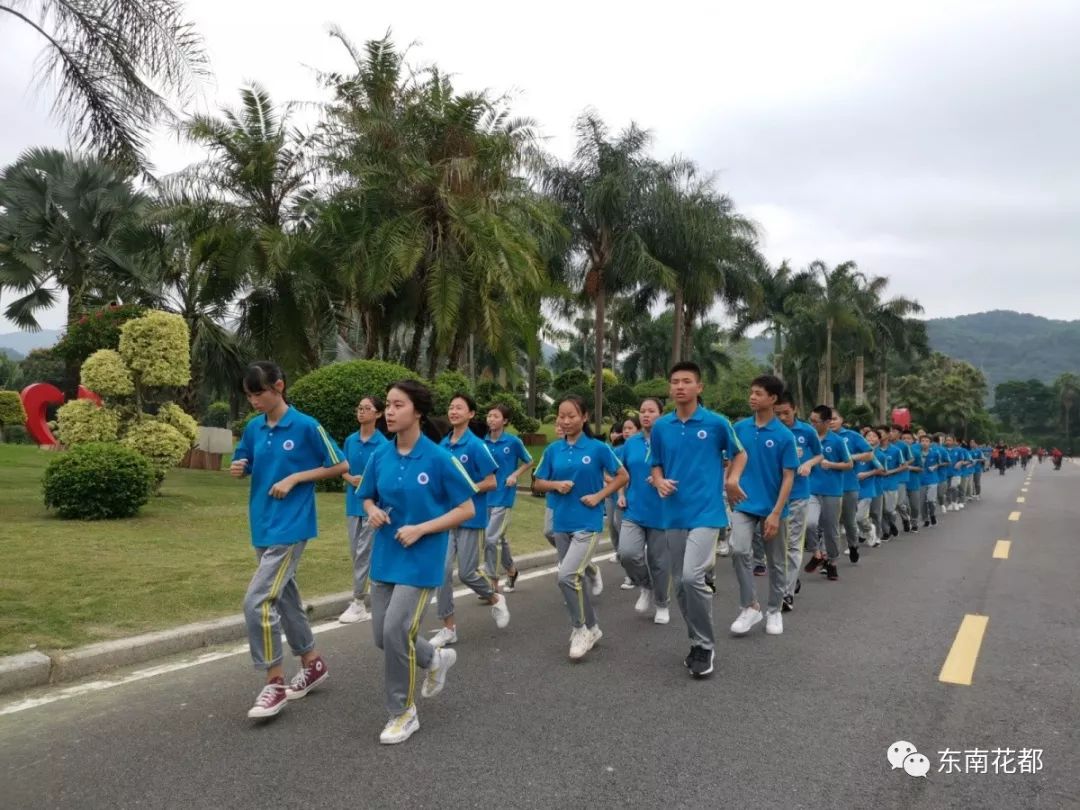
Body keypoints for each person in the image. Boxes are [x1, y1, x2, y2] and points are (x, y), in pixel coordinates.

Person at [358, 380, 479, 744]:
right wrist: (373, 510)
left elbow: (467, 508)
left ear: (418, 412)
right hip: (386, 555)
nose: (390, 412)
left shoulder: (439, 458)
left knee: (396, 630)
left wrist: (422, 529)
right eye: (388, 405)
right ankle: (434, 659)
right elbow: (366, 496)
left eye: (398, 405)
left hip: (422, 558)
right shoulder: (380, 454)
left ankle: (403, 712)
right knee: (382, 637)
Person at [231, 361, 348, 720]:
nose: (254, 401)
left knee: (258, 602)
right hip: (262, 523)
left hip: (292, 526)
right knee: (284, 598)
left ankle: (275, 682)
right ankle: (312, 663)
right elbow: (244, 459)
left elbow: (339, 465)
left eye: (259, 393)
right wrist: (241, 467)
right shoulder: (254, 428)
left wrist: (296, 477)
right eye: (249, 395)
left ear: (278, 386)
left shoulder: (306, 425)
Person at [650, 362, 747, 677]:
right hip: (673, 513)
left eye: (687, 381)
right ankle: (696, 641)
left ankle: (705, 646)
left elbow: (740, 453)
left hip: (706, 512)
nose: (680, 386)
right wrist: (660, 480)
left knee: (692, 578)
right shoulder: (662, 427)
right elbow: (656, 463)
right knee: (680, 584)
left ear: (699, 387)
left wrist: (732, 480)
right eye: (675, 381)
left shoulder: (716, 423)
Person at [533, 396, 628, 660]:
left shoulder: (598, 448)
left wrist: (599, 497)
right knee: (576, 579)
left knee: (565, 576)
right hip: (562, 522)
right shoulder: (553, 450)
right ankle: (593, 628)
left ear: (584, 417)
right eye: (561, 416)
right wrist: (555, 485)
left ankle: (579, 629)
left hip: (588, 522)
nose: (565, 421)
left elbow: (622, 476)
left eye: (571, 415)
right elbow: (538, 482)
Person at [431, 394, 510, 649]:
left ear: (471, 414)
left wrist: (465, 489)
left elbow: (491, 481)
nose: (453, 411)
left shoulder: (476, 446)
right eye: (451, 407)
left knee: (466, 573)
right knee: (440, 572)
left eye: (459, 408)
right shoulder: (443, 445)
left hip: (471, 516)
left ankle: (495, 596)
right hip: (446, 517)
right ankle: (448, 628)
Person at [728, 376, 798, 637]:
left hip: (773, 507)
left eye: (758, 393)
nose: (752, 397)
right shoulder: (739, 428)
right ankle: (750, 606)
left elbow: (788, 476)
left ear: (773, 399)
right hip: (743, 503)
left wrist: (776, 513)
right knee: (738, 549)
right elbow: (730, 461)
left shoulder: (784, 435)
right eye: (751, 392)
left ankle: (774, 609)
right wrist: (728, 485)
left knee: (777, 562)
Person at [618, 398, 672, 624]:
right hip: (634, 510)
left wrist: (662, 478)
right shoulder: (631, 443)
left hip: (662, 512)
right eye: (642, 411)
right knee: (627, 554)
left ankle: (661, 603)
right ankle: (645, 586)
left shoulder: (670, 441)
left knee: (659, 562)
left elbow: (683, 470)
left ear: (661, 414)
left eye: (651, 411)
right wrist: (621, 494)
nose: (646, 415)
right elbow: (621, 471)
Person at [339, 396, 390, 624]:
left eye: (367, 408)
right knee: (356, 552)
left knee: (363, 553)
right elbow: (341, 468)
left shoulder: (383, 445)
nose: (361, 412)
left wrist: (368, 483)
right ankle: (379, 590)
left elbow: (386, 476)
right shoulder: (350, 440)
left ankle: (358, 601)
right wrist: (351, 479)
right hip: (353, 504)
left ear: (378, 414)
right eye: (359, 408)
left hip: (373, 507)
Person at [773, 393, 822, 612]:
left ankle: (786, 593)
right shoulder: (769, 430)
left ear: (795, 409)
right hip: (773, 497)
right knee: (777, 547)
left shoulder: (807, 431)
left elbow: (819, 455)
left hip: (799, 496)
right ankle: (789, 580)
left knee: (793, 544)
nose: (782, 417)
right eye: (778, 413)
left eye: (786, 412)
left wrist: (809, 464)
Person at [483, 404, 533, 592]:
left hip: (504, 497)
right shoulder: (483, 443)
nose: (491, 419)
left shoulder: (513, 442)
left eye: (495, 416)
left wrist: (514, 475)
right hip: (486, 496)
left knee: (489, 539)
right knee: (500, 538)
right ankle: (511, 570)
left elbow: (529, 461)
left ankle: (492, 582)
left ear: (504, 421)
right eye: (489, 416)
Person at [804, 405, 853, 582]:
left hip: (832, 491)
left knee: (831, 530)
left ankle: (832, 562)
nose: (812, 424)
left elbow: (849, 464)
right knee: (809, 523)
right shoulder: (808, 438)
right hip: (811, 490)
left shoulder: (837, 441)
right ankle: (817, 554)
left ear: (826, 422)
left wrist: (831, 465)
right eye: (810, 420)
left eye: (815, 421)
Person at [831, 409, 874, 562]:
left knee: (849, 521)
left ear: (841, 419)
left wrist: (850, 457)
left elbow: (869, 454)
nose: (831, 421)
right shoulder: (819, 436)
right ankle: (829, 559)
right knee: (830, 523)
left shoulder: (852, 436)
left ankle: (853, 544)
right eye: (828, 419)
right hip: (827, 487)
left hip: (848, 485)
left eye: (834, 418)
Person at [611, 417, 641, 590]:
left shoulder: (648, 446)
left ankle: (638, 575)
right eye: (625, 428)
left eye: (630, 428)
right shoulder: (620, 449)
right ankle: (630, 572)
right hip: (619, 497)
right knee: (617, 529)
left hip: (641, 500)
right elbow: (615, 472)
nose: (627, 431)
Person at [854, 429, 884, 547]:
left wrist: (866, 474)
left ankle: (871, 530)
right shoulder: (856, 452)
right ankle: (852, 546)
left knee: (860, 517)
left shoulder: (873, 454)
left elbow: (881, 469)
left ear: (878, 439)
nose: (870, 438)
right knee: (851, 519)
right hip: (852, 488)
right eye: (868, 436)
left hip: (867, 489)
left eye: (873, 436)